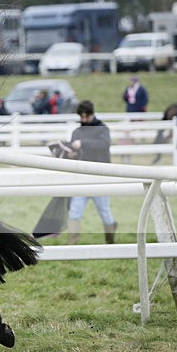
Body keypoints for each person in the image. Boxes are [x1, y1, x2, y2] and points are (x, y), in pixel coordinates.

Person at [67, 100, 117, 244]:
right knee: (74, 212)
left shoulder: (103, 129)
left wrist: (83, 143)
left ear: (92, 114)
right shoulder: (76, 132)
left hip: (99, 178)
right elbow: (75, 152)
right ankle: (72, 244)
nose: (83, 119)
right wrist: (71, 153)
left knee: (105, 212)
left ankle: (110, 241)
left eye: (86, 116)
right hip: (81, 178)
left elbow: (104, 144)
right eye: (81, 116)